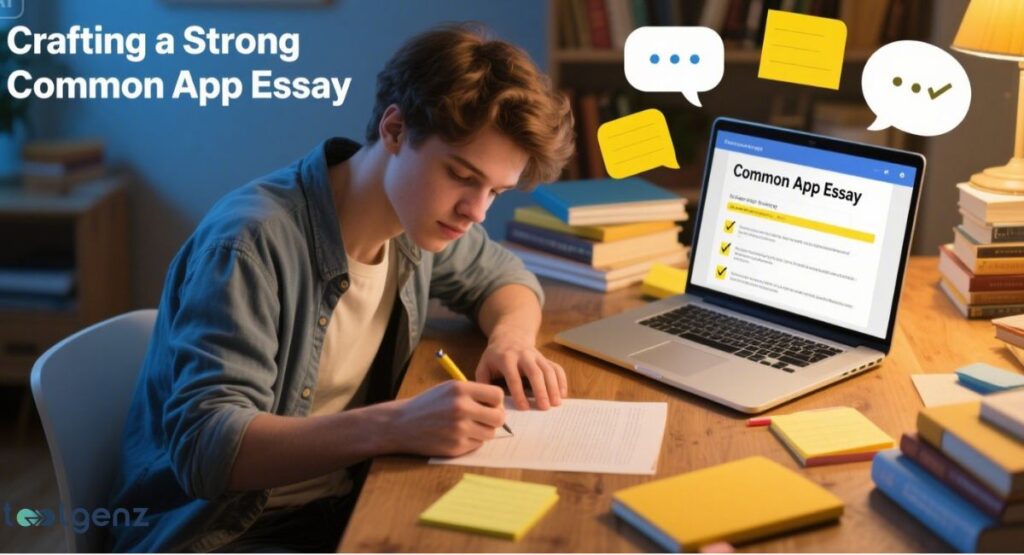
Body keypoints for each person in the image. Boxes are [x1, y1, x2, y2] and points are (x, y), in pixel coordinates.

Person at [106, 23, 575, 552]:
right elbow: (208, 448)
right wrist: (396, 425)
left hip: (341, 504)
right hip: (227, 531)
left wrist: (510, 339)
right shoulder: (249, 243)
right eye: (463, 176)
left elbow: (505, 278)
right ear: (395, 130)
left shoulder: (415, 223)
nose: (477, 210)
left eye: (496, 190)